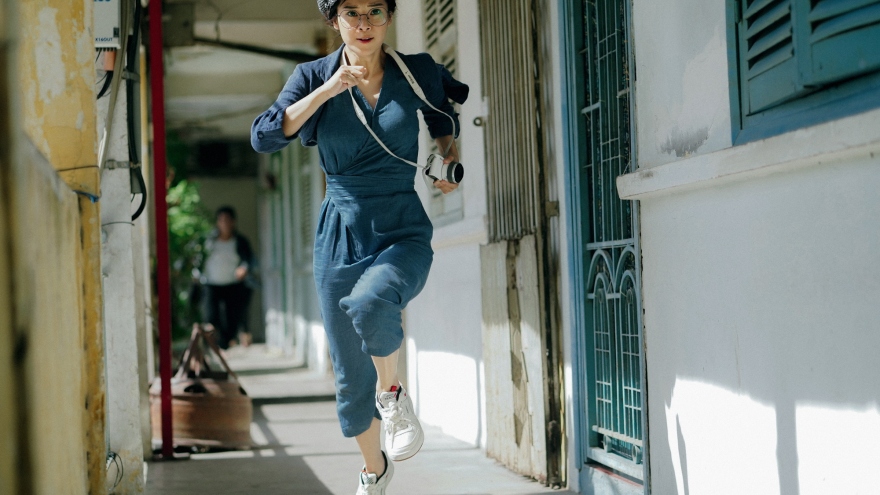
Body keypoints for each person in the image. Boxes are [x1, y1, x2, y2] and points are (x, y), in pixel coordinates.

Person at [251, 1, 468, 493]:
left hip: (401, 225)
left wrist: (447, 154)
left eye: (375, 10)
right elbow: (264, 136)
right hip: (339, 231)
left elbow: (442, 113)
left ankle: (393, 396)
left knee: (372, 302)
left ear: (390, 16)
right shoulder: (312, 76)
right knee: (350, 378)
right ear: (334, 20)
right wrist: (329, 90)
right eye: (351, 12)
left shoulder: (415, 71)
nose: (364, 23)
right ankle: (374, 473)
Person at [199, 206, 256, 350]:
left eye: (227, 220)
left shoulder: (240, 241)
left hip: (232, 284)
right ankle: (212, 345)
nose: (224, 223)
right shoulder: (209, 241)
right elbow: (199, 259)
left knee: (232, 318)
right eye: (221, 220)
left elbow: (248, 259)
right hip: (212, 284)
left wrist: (244, 268)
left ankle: (225, 343)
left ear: (233, 222)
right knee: (211, 317)